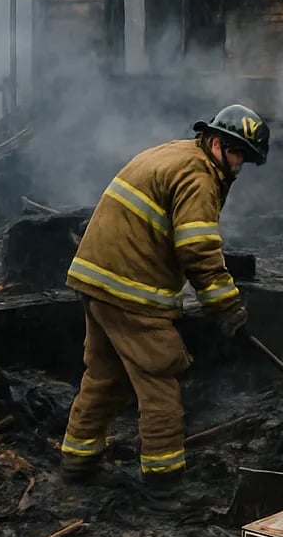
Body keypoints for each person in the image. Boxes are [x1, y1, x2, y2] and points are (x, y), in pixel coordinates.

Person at [60, 104, 270, 500]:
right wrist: (226, 306)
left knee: (105, 376)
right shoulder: (198, 175)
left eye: (247, 157)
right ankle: (164, 483)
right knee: (160, 380)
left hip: (97, 279)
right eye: (238, 153)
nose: (240, 165)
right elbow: (198, 249)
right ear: (216, 142)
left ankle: (77, 464)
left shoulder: (175, 153)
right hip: (130, 289)